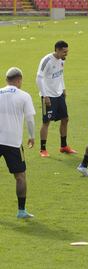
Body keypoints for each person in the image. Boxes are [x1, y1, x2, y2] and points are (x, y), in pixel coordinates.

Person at [0, 67, 36, 218]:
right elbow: (29, 119)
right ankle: (21, 211)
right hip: (13, 142)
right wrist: (32, 136)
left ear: (7, 80)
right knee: (20, 176)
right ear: (19, 80)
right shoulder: (24, 96)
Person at [36, 40, 76, 157]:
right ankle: (43, 149)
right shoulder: (46, 60)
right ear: (57, 50)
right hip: (48, 96)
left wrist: (63, 88)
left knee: (65, 119)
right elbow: (39, 78)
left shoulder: (61, 61)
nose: (66, 54)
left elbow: (60, 74)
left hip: (59, 95)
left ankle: (63, 146)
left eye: (67, 51)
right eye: (64, 52)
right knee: (46, 122)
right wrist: (45, 95)